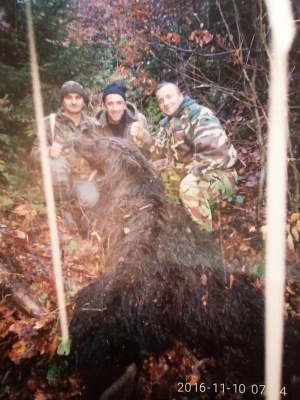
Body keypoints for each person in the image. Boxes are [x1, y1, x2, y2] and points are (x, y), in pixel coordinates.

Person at [131, 82, 238, 231]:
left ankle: (204, 240)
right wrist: (143, 137)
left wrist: (184, 176)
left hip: (220, 176)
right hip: (192, 175)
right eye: (161, 100)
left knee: (188, 187)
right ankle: (176, 224)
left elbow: (213, 154)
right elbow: (159, 152)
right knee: (155, 176)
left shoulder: (199, 114)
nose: (166, 103)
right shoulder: (168, 123)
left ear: (181, 95)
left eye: (169, 97)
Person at [31, 80, 100, 227]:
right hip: (59, 184)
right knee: (56, 163)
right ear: (62, 100)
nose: (74, 102)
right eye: (69, 97)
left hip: (85, 182)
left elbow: (103, 153)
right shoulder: (50, 124)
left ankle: (82, 217)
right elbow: (34, 152)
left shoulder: (94, 125)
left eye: (78, 97)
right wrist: (48, 151)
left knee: (91, 200)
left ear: (83, 101)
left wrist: (96, 172)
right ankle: (62, 210)